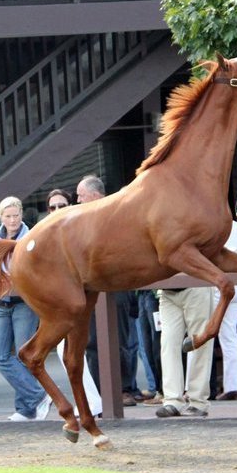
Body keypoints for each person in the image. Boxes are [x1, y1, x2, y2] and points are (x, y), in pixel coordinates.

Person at [77, 175, 139, 407]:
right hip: (92, 285)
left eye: (81, 195)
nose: (78, 199)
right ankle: (99, 391)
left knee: (122, 339)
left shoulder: (117, 211)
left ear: (94, 195)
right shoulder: (80, 217)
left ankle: (124, 388)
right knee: (92, 341)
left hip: (118, 283)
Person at [0, 196, 50, 422]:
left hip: (25, 303)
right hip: (1, 303)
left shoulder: (32, 235)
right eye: (8, 216)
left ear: (22, 215)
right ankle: (38, 396)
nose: (13, 220)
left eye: (16, 215)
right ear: (0, 218)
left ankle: (26, 408)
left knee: (24, 354)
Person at [46, 189, 102, 417]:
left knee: (81, 350)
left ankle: (96, 402)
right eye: (53, 207)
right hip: (67, 302)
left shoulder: (82, 226)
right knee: (67, 351)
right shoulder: (48, 233)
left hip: (88, 297)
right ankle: (92, 402)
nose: (57, 210)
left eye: (62, 205)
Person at [155, 284, 215, 418]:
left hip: (196, 284)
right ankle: (172, 399)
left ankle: (198, 401)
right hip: (167, 289)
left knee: (200, 344)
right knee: (168, 344)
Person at [215, 221, 237, 400]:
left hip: (213, 284)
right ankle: (234, 385)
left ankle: (194, 390)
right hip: (234, 284)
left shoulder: (208, 223)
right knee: (229, 335)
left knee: (201, 332)